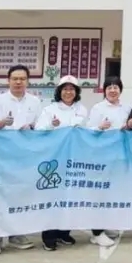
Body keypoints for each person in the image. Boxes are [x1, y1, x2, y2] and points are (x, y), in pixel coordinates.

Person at [0, 65, 42, 254]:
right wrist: (2, 123)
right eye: (15, 78)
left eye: (22, 79)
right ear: (8, 80)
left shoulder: (35, 101)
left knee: (20, 193)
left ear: (28, 81)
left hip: (25, 153)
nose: (18, 82)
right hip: (3, 153)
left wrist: (31, 127)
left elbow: (39, 124)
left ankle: (16, 234)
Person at [35, 76, 91, 251]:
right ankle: (49, 235)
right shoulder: (49, 109)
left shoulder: (82, 109)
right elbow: (38, 129)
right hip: (54, 159)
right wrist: (51, 125)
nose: (68, 92)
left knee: (70, 196)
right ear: (59, 91)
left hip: (75, 158)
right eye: (65, 89)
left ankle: (64, 232)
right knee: (53, 196)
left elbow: (87, 130)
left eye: (72, 89)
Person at [84, 76, 132, 248]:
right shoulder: (98, 108)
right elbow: (89, 130)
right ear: (104, 90)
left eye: (116, 87)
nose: (113, 90)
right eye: (109, 87)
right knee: (99, 193)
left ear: (120, 90)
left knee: (113, 192)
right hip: (102, 156)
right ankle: (96, 232)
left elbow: (131, 129)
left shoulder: (126, 107)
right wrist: (100, 127)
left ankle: (106, 225)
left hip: (121, 156)